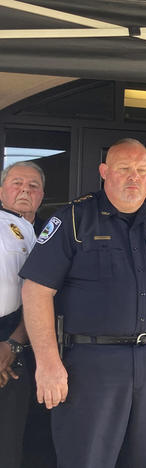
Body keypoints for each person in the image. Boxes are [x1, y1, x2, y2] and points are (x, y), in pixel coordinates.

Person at [19, 139, 146, 468]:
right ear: (104, 172)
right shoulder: (74, 219)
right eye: (123, 169)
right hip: (91, 366)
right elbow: (36, 290)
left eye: (139, 170)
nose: (132, 177)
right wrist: (48, 364)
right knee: (87, 458)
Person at [0, 162, 41, 468]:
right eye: (17, 183)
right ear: (2, 191)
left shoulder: (41, 233)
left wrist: (12, 345)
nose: (25, 190)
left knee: (12, 438)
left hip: (20, 338)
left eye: (33, 186)